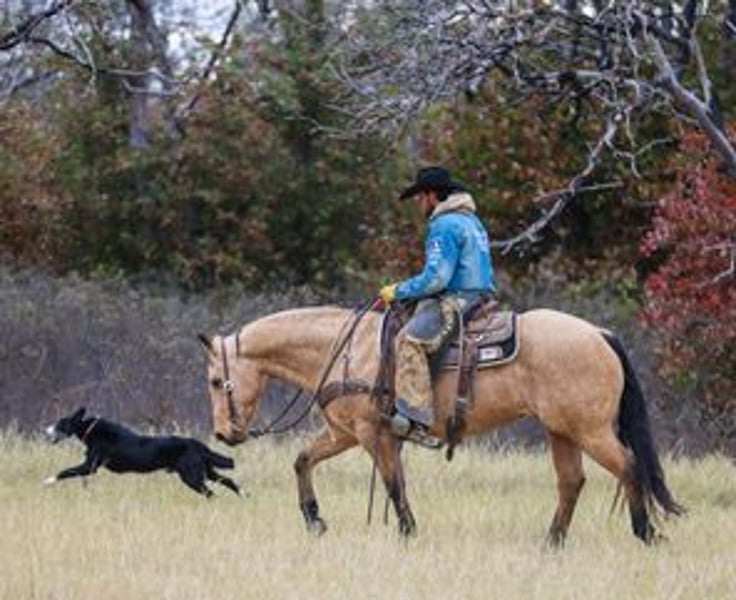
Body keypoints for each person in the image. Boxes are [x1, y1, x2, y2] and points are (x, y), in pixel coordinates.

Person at [379, 166, 496, 440]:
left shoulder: (444, 225)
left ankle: (415, 419)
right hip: (480, 297)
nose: (418, 203)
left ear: (432, 196)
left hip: (458, 299)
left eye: (420, 197)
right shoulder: (471, 221)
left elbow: (436, 279)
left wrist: (398, 291)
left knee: (409, 340)